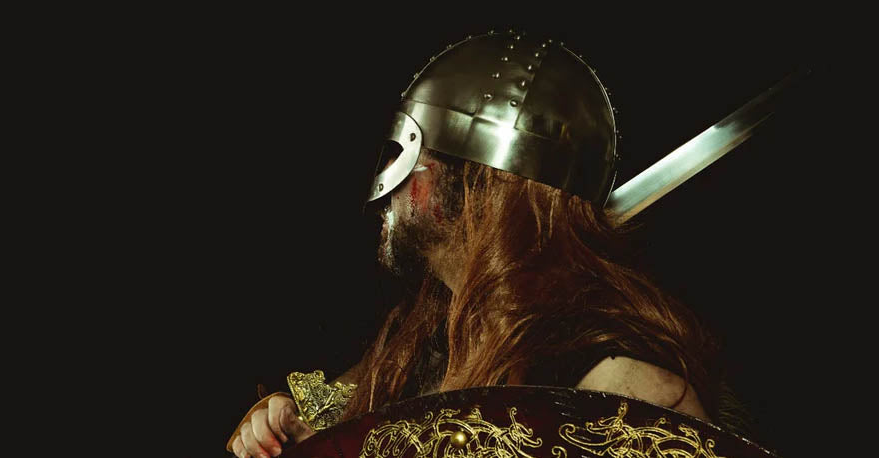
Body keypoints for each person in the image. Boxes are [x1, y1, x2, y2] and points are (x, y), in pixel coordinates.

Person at [229, 29, 740, 458]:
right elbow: (330, 427)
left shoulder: (619, 378)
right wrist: (283, 427)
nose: (384, 190)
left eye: (404, 157)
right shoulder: (428, 336)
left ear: (470, 181)